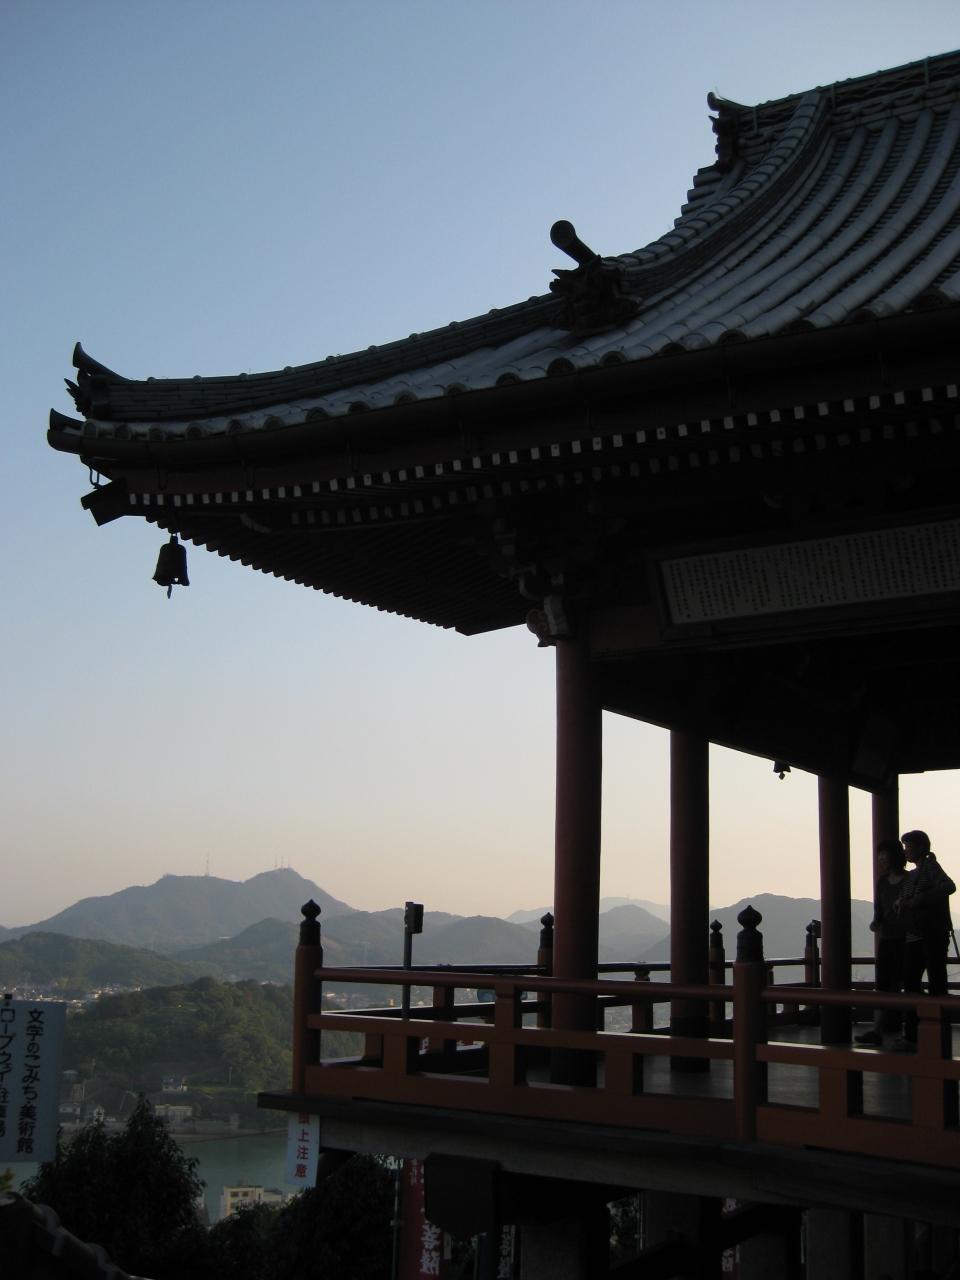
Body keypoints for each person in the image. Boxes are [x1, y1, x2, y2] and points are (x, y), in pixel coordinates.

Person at [896, 829, 956, 1049]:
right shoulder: (912, 875)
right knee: (917, 980)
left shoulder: (930, 868)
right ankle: (925, 1033)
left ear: (921, 848)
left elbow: (949, 886)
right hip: (917, 934)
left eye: (908, 847)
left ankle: (919, 1034)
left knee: (927, 981)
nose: (906, 851)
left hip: (931, 934)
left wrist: (920, 899)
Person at [855, 838, 907, 1045]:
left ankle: (907, 1032)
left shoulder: (909, 880)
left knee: (905, 984)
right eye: (880, 858)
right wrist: (876, 922)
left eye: (884, 857)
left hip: (906, 939)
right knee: (883, 985)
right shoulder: (882, 882)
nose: (881, 861)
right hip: (887, 938)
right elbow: (878, 910)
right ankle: (877, 1030)